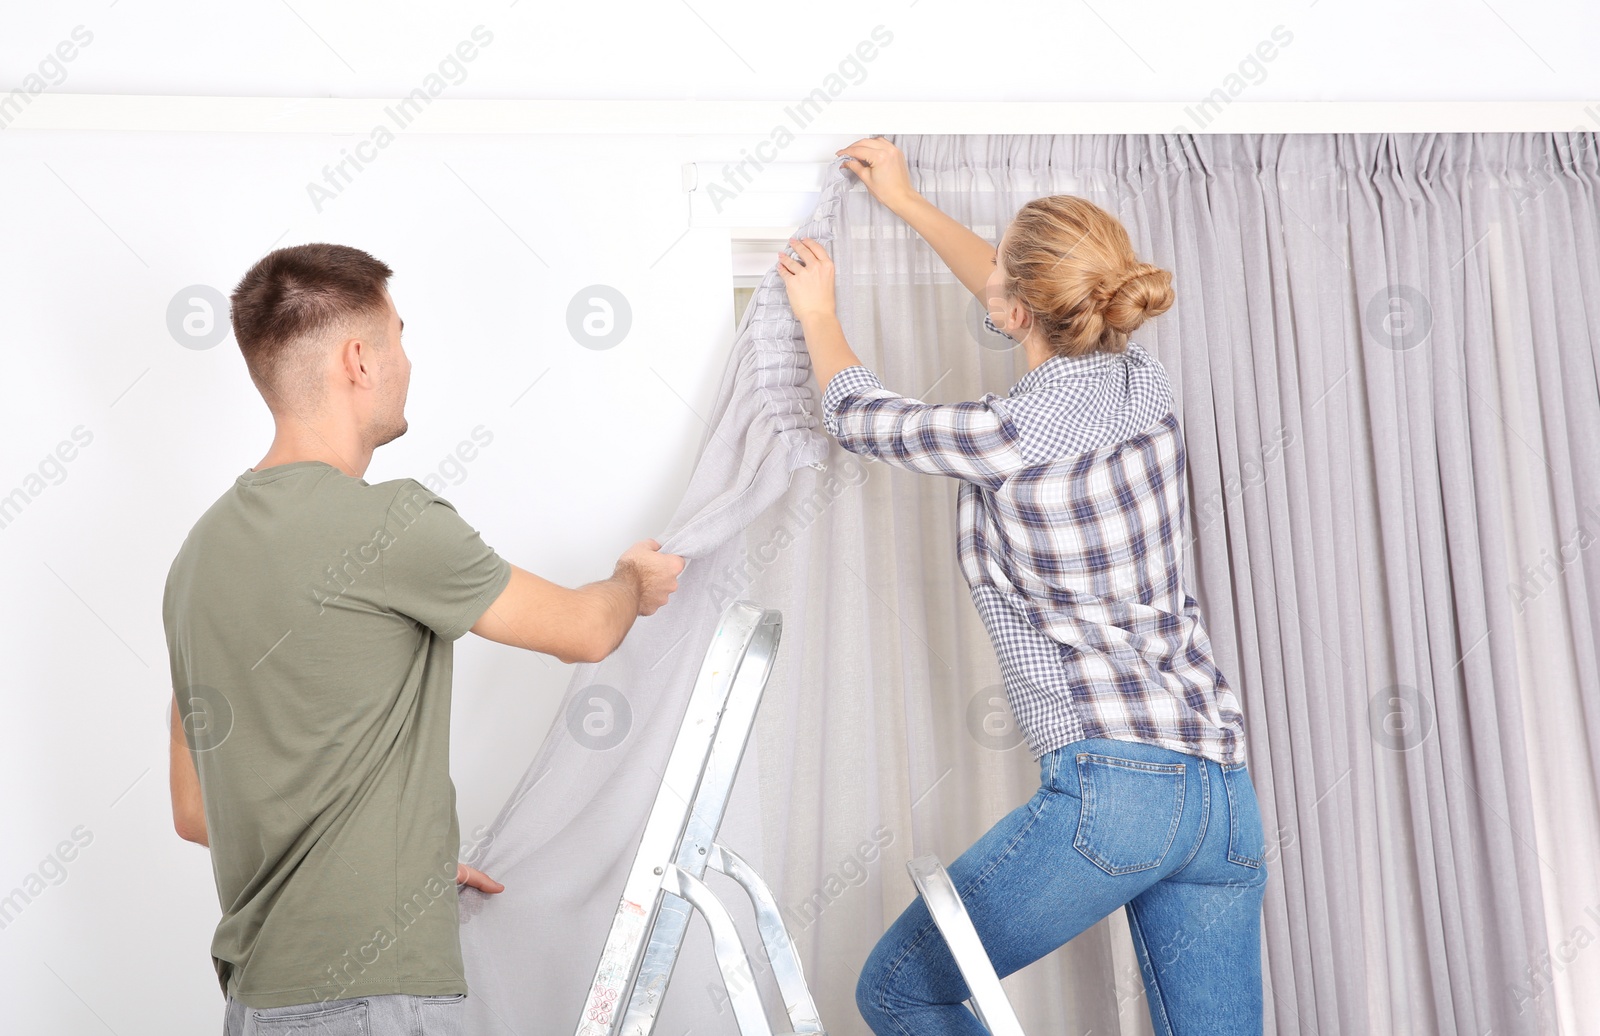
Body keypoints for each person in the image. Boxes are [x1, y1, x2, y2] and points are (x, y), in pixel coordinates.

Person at [777, 137, 1268, 1036]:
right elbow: (1020, 293)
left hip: (1116, 788)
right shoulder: (1144, 382)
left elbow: (857, 415)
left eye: (999, 269)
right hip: (1224, 793)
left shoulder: (1002, 434)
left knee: (899, 990)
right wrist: (911, 202)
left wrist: (817, 311)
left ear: (1017, 310)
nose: (989, 280)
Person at [163, 243, 685, 1034]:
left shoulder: (197, 560)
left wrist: (395, 869)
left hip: (258, 1004)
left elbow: (199, 811)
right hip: (371, 1000)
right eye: (399, 337)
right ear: (359, 359)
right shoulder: (390, 525)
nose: (407, 360)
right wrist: (632, 582)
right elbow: (585, 630)